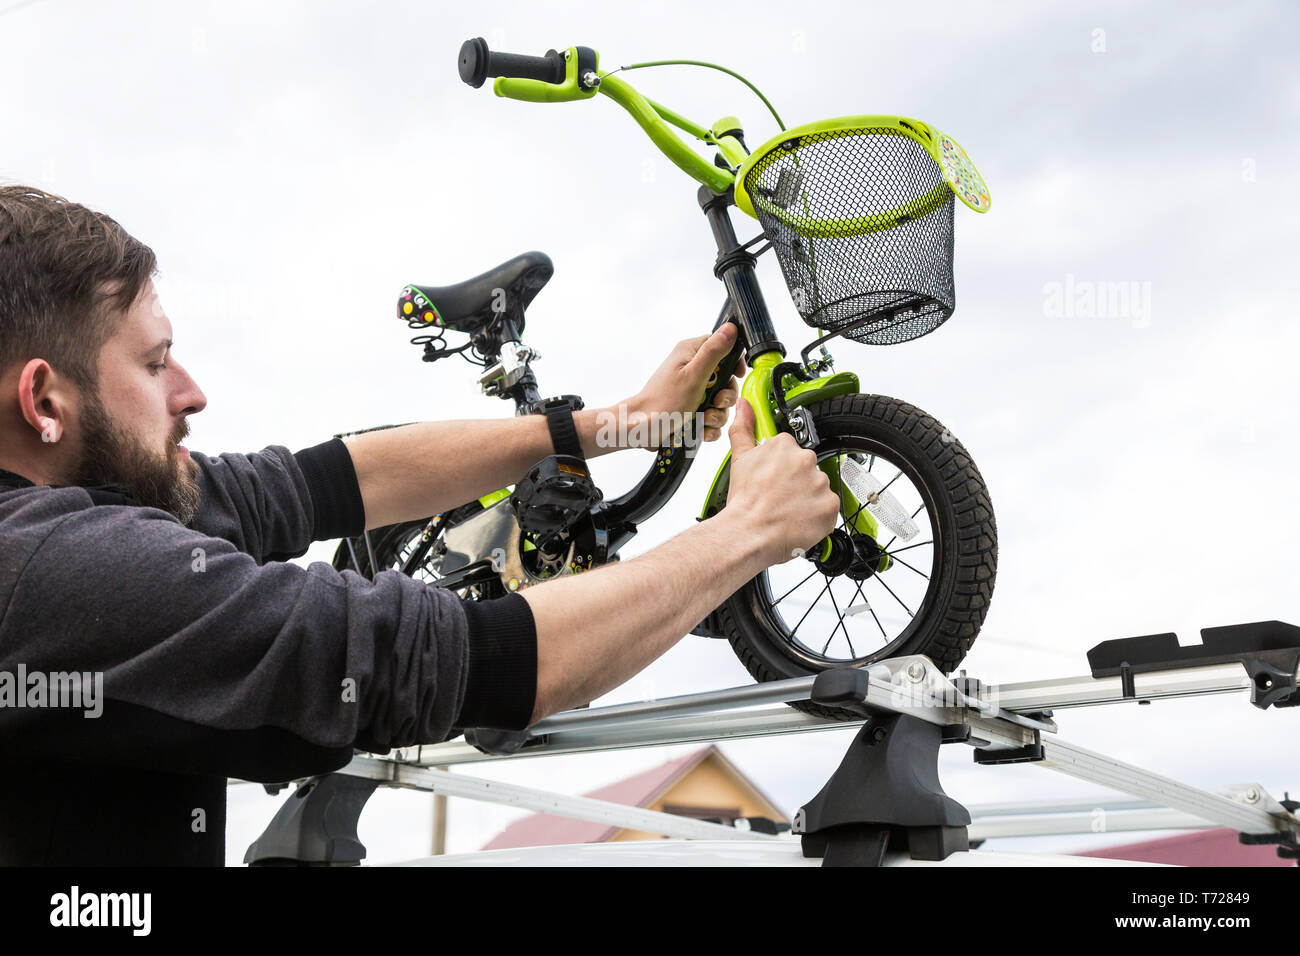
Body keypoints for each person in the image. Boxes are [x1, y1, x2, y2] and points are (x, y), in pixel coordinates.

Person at [0, 185, 840, 865]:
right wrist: (746, 532)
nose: (191, 392)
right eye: (152, 365)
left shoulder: (82, 509)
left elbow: (326, 479)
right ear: (45, 401)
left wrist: (617, 423)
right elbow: (463, 660)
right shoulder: (55, 568)